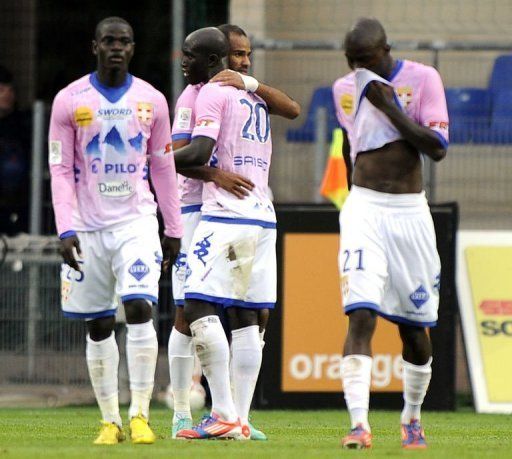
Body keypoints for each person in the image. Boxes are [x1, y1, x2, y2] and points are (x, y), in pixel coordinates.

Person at [48, 17, 182, 445]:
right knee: (99, 323)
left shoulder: (152, 100)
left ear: (133, 47)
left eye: (124, 41)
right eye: (109, 41)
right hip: (86, 227)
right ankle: (110, 420)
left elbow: (163, 166)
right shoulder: (69, 100)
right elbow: (60, 169)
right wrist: (65, 227)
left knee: (140, 306)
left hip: (136, 222)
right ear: (95, 46)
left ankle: (141, 414)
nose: (116, 48)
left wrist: (172, 226)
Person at [167, 23, 299, 440]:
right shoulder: (239, 97)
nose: (242, 60)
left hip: (219, 215)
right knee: (244, 316)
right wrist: (215, 173)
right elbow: (191, 153)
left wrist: (147, 159)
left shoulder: (212, 92)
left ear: (211, 58)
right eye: (237, 54)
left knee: (196, 308)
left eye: (247, 55)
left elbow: (191, 152)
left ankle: (226, 413)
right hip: (258, 215)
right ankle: (196, 415)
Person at [332, 18, 448, 450]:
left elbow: (436, 149)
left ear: (386, 50)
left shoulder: (423, 79)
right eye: (352, 60)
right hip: (363, 208)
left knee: (415, 331)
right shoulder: (343, 88)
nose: (359, 67)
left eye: (365, 59)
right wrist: (351, 200)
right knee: (360, 315)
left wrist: (390, 107)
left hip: (408, 213)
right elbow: (349, 145)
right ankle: (358, 424)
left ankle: (412, 417)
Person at [0, 64, 31, 235]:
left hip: (17, 202)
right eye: (2, 89)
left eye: (10, 89)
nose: (8, 94)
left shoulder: (22, 126)